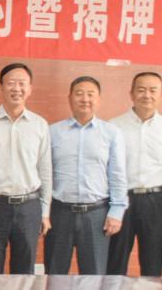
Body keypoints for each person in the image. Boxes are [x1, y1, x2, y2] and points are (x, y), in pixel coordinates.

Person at [0, 63, 52, 275]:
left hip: (29, 207)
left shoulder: (40, 125)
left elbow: (45, 172)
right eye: (11, 83)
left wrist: (45, 212)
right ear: (0, 87)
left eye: (22, 83)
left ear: (30, 88)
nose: (16, 88)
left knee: (24, 273)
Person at [45, 76, 127, 275]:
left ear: (99, 99)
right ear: (69, 98)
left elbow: (117, 174)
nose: (85, 99)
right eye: (79, 94)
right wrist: (43, 212)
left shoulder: (111, 133)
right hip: (60, 212)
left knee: (94, 276)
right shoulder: (52, 132)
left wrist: (117, 211)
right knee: (55, 275)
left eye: (90, 94)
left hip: (96, 214)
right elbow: (45, 173)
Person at [107, 72, 162, 277]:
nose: (147, 95)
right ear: (131, 94)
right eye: (141, 90)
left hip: (155, 200)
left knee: (153, 261)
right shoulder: (113, 126)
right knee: (115, 260)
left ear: (161, 95)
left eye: (152, 90)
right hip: (121, 199)